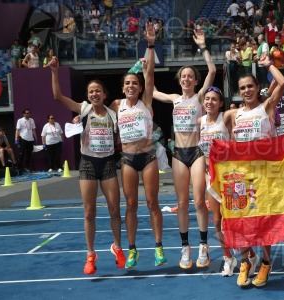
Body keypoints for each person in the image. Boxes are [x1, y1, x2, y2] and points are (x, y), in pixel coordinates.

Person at [49, 57, 125, 275]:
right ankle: (91, 254)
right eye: (91, 91)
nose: (94, 94)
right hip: (88, 164)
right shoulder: (83, 109)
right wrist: (55, 72)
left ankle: (117, 247)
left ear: (104, 94)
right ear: (87, 95)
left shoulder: (113, 114)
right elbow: (57, 97)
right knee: (89, 212)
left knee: (114, 210)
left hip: (108, 164)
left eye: (98, 91)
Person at [152, 28, 215, 270]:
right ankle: (185, 247)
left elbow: (211, 71)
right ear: (180, 81)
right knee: (182, 202)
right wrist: (146, 64)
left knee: (200, 201)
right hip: (178, 153)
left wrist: (203, 46)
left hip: (197, 152)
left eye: (190, 76)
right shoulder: (174, 99)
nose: (187, 78)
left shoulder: (200, 98)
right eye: (183, 76)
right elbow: (152, 91)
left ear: (195, 81)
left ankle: (202, 245)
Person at [109, 22, 167, 269]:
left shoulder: (145, 100)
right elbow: (96, 109)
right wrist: (82, 116)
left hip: (148, 157)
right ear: (123, 88)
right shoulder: (116, 105)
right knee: (130, 204)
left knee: (152, 203)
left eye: (135, 83)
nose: (131, 86)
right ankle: (132, 250)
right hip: (128, 160)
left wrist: (150, 45)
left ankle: (158, 247)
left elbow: (150, 72)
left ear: (141, 87)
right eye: (127, 84)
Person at [230, 55, 284, 287]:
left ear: (258, 87)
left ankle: (264, 263)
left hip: (265, 174)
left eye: (250, 86)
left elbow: (282, 83)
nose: (246, 90)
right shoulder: (235, 114)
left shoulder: (267, 107)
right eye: (243, 88)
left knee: (263, 222)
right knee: (241, 220)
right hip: (241, 174)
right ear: (239, 92)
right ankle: (245, 262)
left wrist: (268, 65)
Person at [197, 86, 237, 276]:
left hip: (229, 174)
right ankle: (228, 257)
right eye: (207, 99)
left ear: (221, 103)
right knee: (217, 219)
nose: (210, 102)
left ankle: (247, 254)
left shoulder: (226, 117)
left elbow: (252, 108)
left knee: (234, 218)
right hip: (209, 175)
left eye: (214, 99)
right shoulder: (200, 121)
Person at [15, 109, 37, 174]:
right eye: (26, 113)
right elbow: (17, 130)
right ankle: (19, 168)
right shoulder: (20, 120)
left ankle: (26, 168)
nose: (28, 114)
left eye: (29, 113)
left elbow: (33, 130)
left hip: (30, 139)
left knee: (29, 154)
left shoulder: (32, 120)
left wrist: (36, 139)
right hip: (23, 138)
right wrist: (16, 139)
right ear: (23, 114)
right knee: (22, 153)